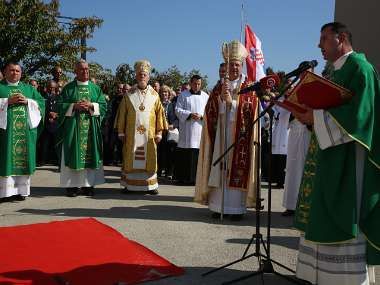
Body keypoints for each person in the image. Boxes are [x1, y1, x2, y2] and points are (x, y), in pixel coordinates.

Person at [293, 22, 380, 285]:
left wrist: (316, 118)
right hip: (326, 153)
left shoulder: (360, 69)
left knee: (342, 211)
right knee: (320, 209)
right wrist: (307, 115)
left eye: (324, 39)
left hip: (349, 159)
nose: (319, 45)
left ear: (341, 38)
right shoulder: (331, 71)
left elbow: (361, 117)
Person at [195, 40, 259, 221]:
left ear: (242, 66)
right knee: (219, 167)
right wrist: (220, 101)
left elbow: (252, 110)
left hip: (240, 137)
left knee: (236, 168)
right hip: (220, 135)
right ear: (227, 66)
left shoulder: (249, 86)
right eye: (231, 65)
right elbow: (209, 112)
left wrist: (232, 103)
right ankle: (217, 206)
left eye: (237, 65)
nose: (234, 68)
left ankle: (236, 209)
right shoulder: (219, 86)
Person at [114, 60, 167, 194]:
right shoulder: (129, 94)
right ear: (136, 76)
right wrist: (120, 131)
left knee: (149, 159)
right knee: (130, 158)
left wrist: (159, 132)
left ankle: (151, 186)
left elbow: (160, 114)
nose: (142, 76)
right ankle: (129, 185)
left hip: (149, 135)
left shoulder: (155, 95)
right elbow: (122, 114)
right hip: (132, 135)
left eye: (145, 74)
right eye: (140, 74)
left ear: (148, 77)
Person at [57, 59, 106, 197]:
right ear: (75, 71)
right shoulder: (68, 88)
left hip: (90, 129)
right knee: (73, 154)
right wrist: (74, 106)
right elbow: (60, 106)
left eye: (87, 69)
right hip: (73, 130)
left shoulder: (95, 88)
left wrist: (91, 105)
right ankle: (71, 186)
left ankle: (88, 185)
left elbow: (103, 106)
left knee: (89, 155)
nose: (85, 71)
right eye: (82, 69)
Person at [0, 62, 45, 202]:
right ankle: (5, 193)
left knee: (23, 159)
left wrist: (28, 102)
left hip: (25, 134)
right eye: (11, 70)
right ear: (5, 72)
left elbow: (41, 104)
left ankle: (21, 191)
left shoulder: (28, 89)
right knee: (5, 159)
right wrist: (7, 102)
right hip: (5, 134)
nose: (15, 73)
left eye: (17, 71)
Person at [175, 75, 208, 185]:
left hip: (199, 129)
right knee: (185, 155)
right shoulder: (183, 95)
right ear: (190, 83)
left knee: (196, 155)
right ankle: (182, 178)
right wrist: (189, 115)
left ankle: (196, 179)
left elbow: (209, 112)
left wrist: (202, 116)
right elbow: (177, 110)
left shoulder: (205, 96)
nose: (197, 86)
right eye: (195, 83)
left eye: (199, 84)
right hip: (187, 130)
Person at [38, 80, 60, 166]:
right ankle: (42, 160)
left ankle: (57, 160)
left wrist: (56, 115)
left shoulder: (59, 98)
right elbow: (39, 109)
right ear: (47, 88)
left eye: (54, 88)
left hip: (56, 124)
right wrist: (48, 115)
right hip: (45, 124)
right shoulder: (42, 97)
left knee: (56, 144)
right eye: (50, 87)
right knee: (44, 144)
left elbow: (63, 109)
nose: (52, 89)